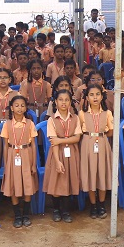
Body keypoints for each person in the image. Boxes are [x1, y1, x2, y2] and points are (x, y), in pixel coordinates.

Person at [43, 89, 82, 223]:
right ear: (55, 102)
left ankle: (66, 211)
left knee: (68, 180)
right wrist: (58, 161)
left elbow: (77, 138)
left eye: (66, 100)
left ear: (70, 102)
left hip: (72, 154)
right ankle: (56, 209)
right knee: (56, 180)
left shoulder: (75, 118)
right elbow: (53, 143)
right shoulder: (52, 120)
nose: (64, 102)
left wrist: (61, 140)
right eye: (61, 100)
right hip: (57, 154)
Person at [1, 95, 38, 228]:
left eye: (22, 105)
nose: (20, 108)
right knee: (13, 185)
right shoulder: (7, 124)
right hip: (12, 154)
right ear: (11, 108)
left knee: (27, 184)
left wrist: (34, 163)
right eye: (16, 105)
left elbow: (33, 145)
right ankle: (17, 215)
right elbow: (5, 145)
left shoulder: (29, 123)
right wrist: (6, 163)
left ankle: (26, 215)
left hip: (26, 153)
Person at [80, 84, 113, 219]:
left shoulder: (107, 113)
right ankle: (93, 205)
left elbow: (110, 131)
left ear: (102, 96)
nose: (95, 97)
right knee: (91, 173)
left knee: (102, 173)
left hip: (103, 143)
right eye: (92, 95)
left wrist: (100, 136)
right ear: (87, 97)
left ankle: (101, 204)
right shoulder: (82, 113)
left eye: (97, 94)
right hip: (88, 143)